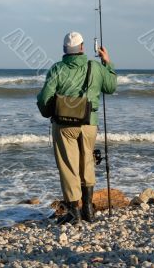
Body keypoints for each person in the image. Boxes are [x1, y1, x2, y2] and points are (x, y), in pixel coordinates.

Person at [37, 32, 117, 225]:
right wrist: (107, 62)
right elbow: (111, 87)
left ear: (65, 49)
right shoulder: (95, 67)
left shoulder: (57, 69)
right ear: (82, 48)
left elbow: (44, 99)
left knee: (68, 167)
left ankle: (74, 213)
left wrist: (48, 113)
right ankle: (88, 209)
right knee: (87, 162)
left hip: (64, 125)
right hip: (89, 123)